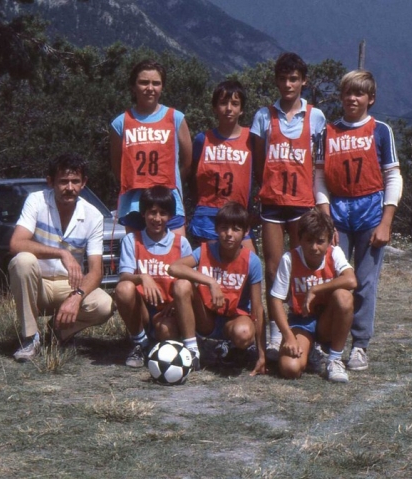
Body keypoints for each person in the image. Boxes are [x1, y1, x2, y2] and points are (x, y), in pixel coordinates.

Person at [315, 70, 403, 371]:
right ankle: (325, 342)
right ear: (340, 96)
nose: (353, 98)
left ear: (371, 98)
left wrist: (386, 221)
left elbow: (393, 175)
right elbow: (319, 178)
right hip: (337, 213)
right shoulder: (328, 132)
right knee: (333, 280)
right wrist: (326, 219)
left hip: (370, 212)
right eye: (348, 93)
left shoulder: (380, 130)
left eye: (360, 93)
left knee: (365, 282)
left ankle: (360, 345)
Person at [250, 52, 327, 361]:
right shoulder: (263, 115)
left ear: (303, 81)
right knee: (272, 267)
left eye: (293, 78)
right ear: (276, 81)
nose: (288, 84)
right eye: (282, 78)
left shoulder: (316, 116)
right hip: (272, 202)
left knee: (304, 268)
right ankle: (274, 330)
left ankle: (309, 330)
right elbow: (258, 162)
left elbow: (320, 163)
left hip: (302, 202)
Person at [9, 153, 115, 362]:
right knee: (22, 261)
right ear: (51, 182)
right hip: (38, 285)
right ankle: (30, 337)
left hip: (69, 286)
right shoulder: (36, 201)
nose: (69, 187)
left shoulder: (93, 215)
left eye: (75, 181)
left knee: (105, 305)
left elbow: (95, 272)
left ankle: (58, 332)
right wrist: (62, 253)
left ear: (84, 183)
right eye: (63, 181)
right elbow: (16, 243)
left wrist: (76, 297)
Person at [169, 202, 265, 374]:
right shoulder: (205, 250)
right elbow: (174, 268)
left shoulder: (252, 261)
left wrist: (262, 354)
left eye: (235, 229)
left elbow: (257, 308)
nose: (229, 234)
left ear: (245, 232)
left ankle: (237, 349)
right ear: (216, 229)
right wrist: (210, 282)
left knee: (243, 332)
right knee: (181, 284)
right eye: (224, 228)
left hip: (235, 318)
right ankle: (192, 351)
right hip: (207, 316)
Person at [268, 208, 357, 383]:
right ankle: (310, 351)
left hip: (327, 320)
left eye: (320, 241)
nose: (314, 247)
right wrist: (287, 336)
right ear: (299, 239)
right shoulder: (290, 258)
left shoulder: (334, 253)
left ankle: (334, 359)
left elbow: (351, 280)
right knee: (289, 368)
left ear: (329, 240)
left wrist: (315, 289)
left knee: (344, 296)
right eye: (308, 241)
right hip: (302, 321)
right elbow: (276, 299)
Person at [113, 186, 193, 368]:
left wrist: (176, 304)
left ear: (170, 216)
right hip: (142, 309)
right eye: (152, 212)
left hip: (169, 310)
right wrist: (143, 277)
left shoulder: (181, 243)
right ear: (143, 214)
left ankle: (177, 344)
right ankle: (139, 342)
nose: (157, 219)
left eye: (163, 213)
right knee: (123, 288)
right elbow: (124, 276)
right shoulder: (132, 240)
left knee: (166, 332)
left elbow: (190, 283)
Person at [110, 59, 192, 235]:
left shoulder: (175, 118)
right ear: (133, 86)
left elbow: (187, 161)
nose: (150, 88)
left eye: (156, 83)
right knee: (138, 258)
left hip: (169, 200)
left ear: (162, 87)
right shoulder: (120, 122)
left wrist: (174, 182)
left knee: (175, 257)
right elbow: (117, 165)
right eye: (144, 82)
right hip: (134, 203)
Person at [189, 80, 256, 252]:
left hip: (238, 215)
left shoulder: (251, 139)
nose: (228, 108)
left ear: (241, 109)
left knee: (249, 263)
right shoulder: (202, 139)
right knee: (210, 266)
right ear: (214, 107)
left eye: (234, 104)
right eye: (223, 103)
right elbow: (192, 177)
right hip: (208, 214)